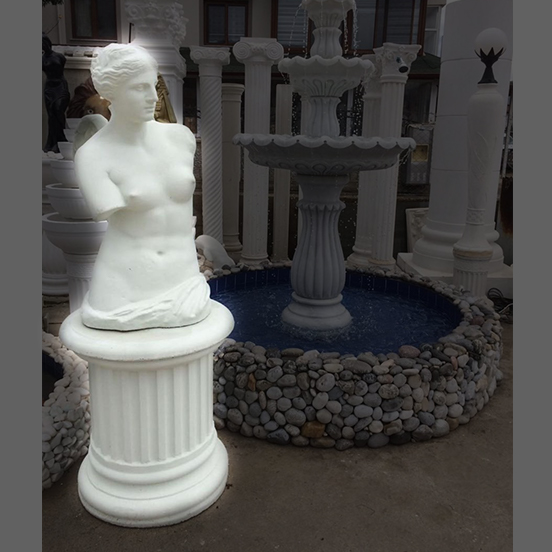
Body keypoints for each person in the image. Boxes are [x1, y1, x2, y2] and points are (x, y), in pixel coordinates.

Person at [74, 43, 211, 331]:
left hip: (184, 279)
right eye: (139, 88)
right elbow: (104, 208)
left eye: (153, 86)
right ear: (110, 92)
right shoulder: (93, 156)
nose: (153, 98)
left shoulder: (181, 139)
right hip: (124, 289)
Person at [42, 34, 70, 153]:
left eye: (44, 43)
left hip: (60, 86)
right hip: (49, 89)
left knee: (59, 110)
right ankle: (52, 142)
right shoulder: (42, 59)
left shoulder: (59, 56)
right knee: (51, 116)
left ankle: (62, 139)